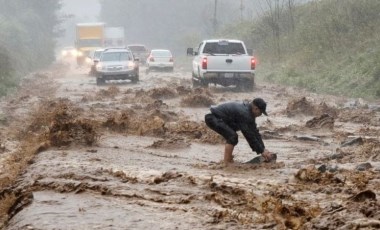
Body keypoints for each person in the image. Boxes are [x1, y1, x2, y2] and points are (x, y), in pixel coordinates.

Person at [205, 98, 274, 164]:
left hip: (219, 118)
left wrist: (264, 149)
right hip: (212, 117)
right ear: (256, 108)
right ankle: (227, 163)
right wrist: (261, 151)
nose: (260, 115)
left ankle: (228, 160)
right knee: (232, 137)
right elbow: (248, 135)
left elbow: (255, 133)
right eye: (261, 112)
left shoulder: (249, 113)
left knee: (232, 136)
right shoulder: (244, 113)